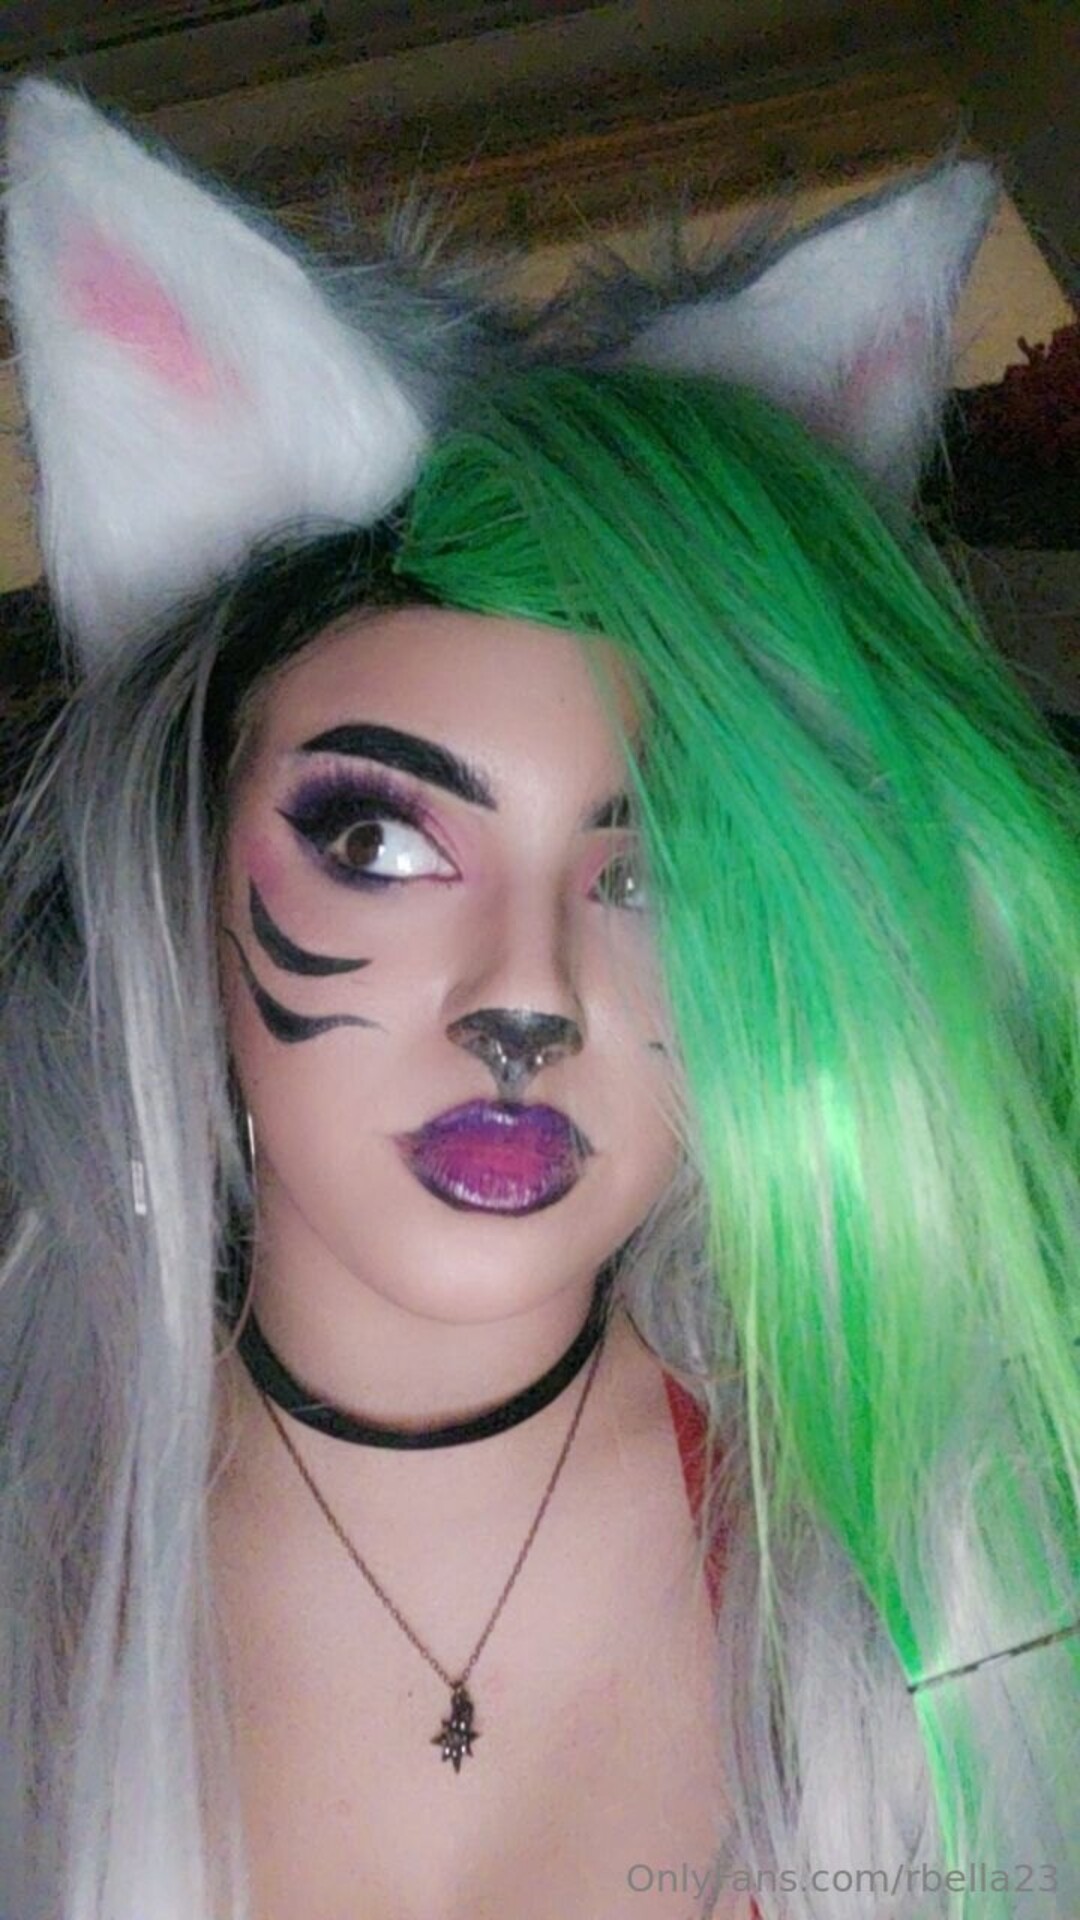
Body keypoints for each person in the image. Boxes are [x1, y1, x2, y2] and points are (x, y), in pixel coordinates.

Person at [1, 77, 1078, 1920]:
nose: (527, 1001)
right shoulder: (43, 1565)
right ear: (179, 870)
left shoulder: (958, 1590)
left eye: (648, 877)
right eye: (379, 840)